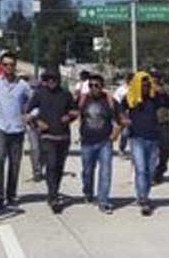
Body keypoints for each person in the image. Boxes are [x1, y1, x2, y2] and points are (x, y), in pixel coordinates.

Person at [0, 53, 32, 209]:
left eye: (11, 64)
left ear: (15, 66)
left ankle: (11, 194)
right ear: (1, 65)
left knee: (15, 163)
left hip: (17, 128)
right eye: (5, 64)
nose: (9, 67)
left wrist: (30, 115)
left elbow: (34, 102)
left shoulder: (23, 85)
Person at [119, 72, 169, 216]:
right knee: (141, 169)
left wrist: (160, 91)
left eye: (148, 85)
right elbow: (119, 109)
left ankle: (143, 194)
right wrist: (124, 119)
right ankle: (143, 199)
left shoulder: (155, 98)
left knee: (149, 171)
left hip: (153, 139)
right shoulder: (130, 98)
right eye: (143, 85)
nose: (145, 87)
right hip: (136, 138)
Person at [25, 70, 78, 214]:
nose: (51, 81)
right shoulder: (39, 94)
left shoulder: (65, 94)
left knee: (59, 167)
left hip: (63, 137)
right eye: (48, 79)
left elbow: (75, 111)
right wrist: (37, 123)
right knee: (52, 164)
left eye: (54, 79)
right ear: (45, 80)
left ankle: (54, 191)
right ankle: (53, 197)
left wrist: (69, 117)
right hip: (47, 137)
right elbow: (27, 114)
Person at [78, 74, 118, 214]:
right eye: (91, 85)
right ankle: (88, 192)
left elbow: (121, 118)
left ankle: (103, 201)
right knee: (87, 171)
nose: (93, 88)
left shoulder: (109, 100)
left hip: (104, 142)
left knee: (105, 172)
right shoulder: (83, 99)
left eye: (97, 85)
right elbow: (71, 111)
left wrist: (116, 133)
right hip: (87, 142)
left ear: (102, 87)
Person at [23, 74, 45, 182]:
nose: (33, 90)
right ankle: (37, 171)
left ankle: (41, 166)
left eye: (36, 87)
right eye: (32, 87)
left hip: (43, 124)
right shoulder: (25, 97)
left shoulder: (43, 95)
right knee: (35, 148)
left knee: (43, 149)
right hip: (31, 125)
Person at [112, 73, 133, 155]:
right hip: (120, 114)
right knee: (116, 133)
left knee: (126, 133)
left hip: (131, 115)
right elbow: (115, 102)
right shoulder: (121, 90)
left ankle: (122, 148)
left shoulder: (136, 89)